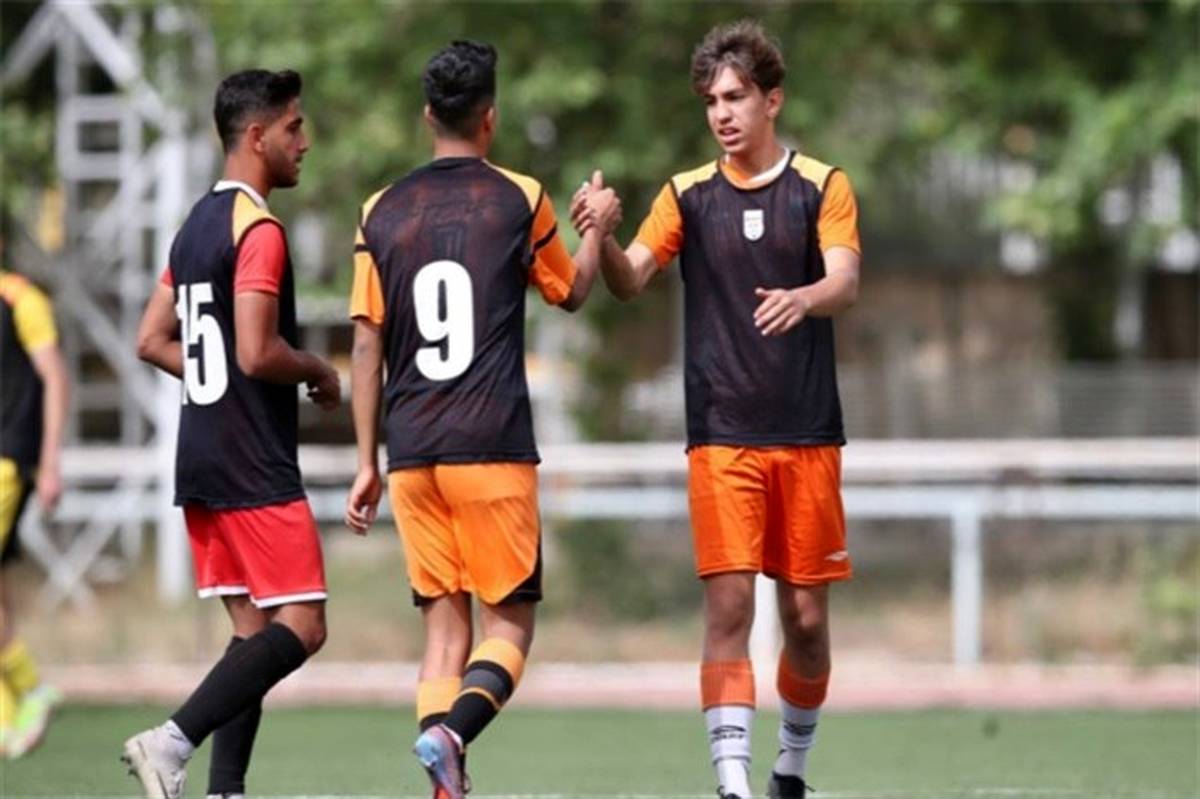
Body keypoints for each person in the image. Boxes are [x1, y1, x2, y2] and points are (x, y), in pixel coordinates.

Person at [571, 20, 862, 799]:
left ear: (773, 100)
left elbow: (844, 281)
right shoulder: (686, 194)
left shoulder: (823, 185)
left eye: (735, 97)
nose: (722, 113)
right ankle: (732, 784)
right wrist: (602, 237)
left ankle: (789, 769)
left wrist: (805, 297)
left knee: (806, 622)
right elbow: (630, 278)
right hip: (721, 434)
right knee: (729, 605)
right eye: (711, 101)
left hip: (808, 434)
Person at [343, 40, 616, 799]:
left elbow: (365, 344)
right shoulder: (519, 197)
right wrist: (597, 227)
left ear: (427, 115)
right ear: (490, 118)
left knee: (442, 634)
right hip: (491, 444)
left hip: (412, 452)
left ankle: (444, 785)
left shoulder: (378, 210)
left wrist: (366, 462)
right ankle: (452, 735)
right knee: (511, 627)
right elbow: (571, 292)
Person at [126, 68, 341, 799]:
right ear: (257, 136)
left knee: (253, 634)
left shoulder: (194, 226)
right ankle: (171, 741)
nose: (303, 142)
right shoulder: (259, 228)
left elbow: (151, 339)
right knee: (303, 625)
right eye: (293, 128)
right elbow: (256, 352)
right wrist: (315, 367)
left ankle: (225, 790)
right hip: (252, 461)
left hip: (202, 456)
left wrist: (213, 375)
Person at [0, 238, 69, 759]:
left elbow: (56, 377)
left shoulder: (22, 299)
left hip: (6, 460)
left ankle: (29, 689)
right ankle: (7, 719)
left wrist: (49, 463)